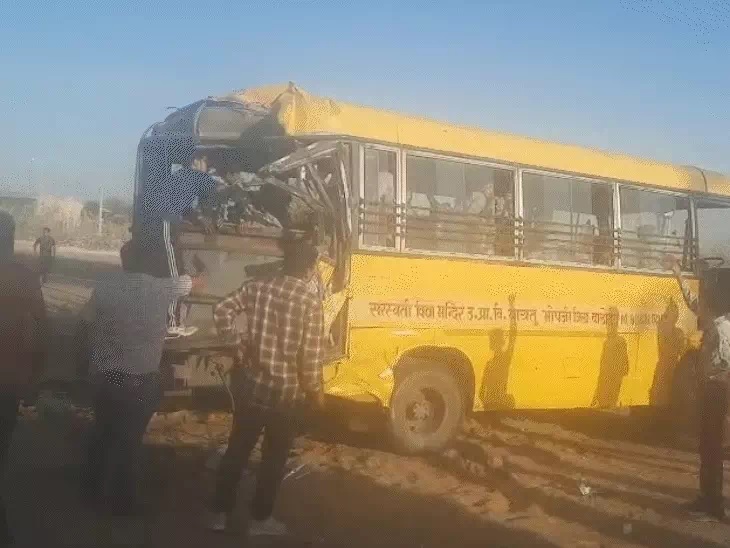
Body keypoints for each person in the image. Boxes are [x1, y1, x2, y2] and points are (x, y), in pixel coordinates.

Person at [207, 240, 325, 537]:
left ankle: (219, 514)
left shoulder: (258, 287)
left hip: (252, 388)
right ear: (309, 269)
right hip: (286, 396)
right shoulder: (310, 302)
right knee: (273, 459)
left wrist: (236, 347)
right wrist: (316, 394)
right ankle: (260, 520)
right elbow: (310, 359)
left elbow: (222, 309)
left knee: (237, 451)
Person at [79, 240, 204, 516]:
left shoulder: (105, 287)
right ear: (150, 263)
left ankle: (90, 492)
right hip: (139, 382)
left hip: (106, 378)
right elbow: (199, 283)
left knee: (102, 434)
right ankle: (123, 503)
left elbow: (85, 322)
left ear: (124, 260)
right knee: (129, 443)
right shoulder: (162, 287)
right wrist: (197, 266)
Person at [0, 211, 48, 545]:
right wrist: (35, 376)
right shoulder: (25, 277)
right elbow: (43, 330)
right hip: (9, 381)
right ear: (12, 239)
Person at [134, 146, 218, 337]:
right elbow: (214, 193)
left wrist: (198, 217)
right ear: (197, 161)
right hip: (163, 223)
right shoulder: (197, 176)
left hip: (152, 224)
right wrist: (207, 217)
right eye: (207, 163)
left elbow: (185, 207)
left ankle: (154, 320)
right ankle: (173, 324)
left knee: (161, 273)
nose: (209, 167)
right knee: (174, 275)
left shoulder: (179, 177)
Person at [670, 257, 730, 521]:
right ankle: (706, 498)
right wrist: (678, 275)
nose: (700, 306)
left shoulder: (723, 330)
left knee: (712, 448)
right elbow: (692, 302)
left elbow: (725, 366)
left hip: (717, 391)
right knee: (706, 446)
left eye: (705, 302)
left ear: (713, 306)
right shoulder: (713, 321)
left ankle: (714, 504)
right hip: (709, 390)